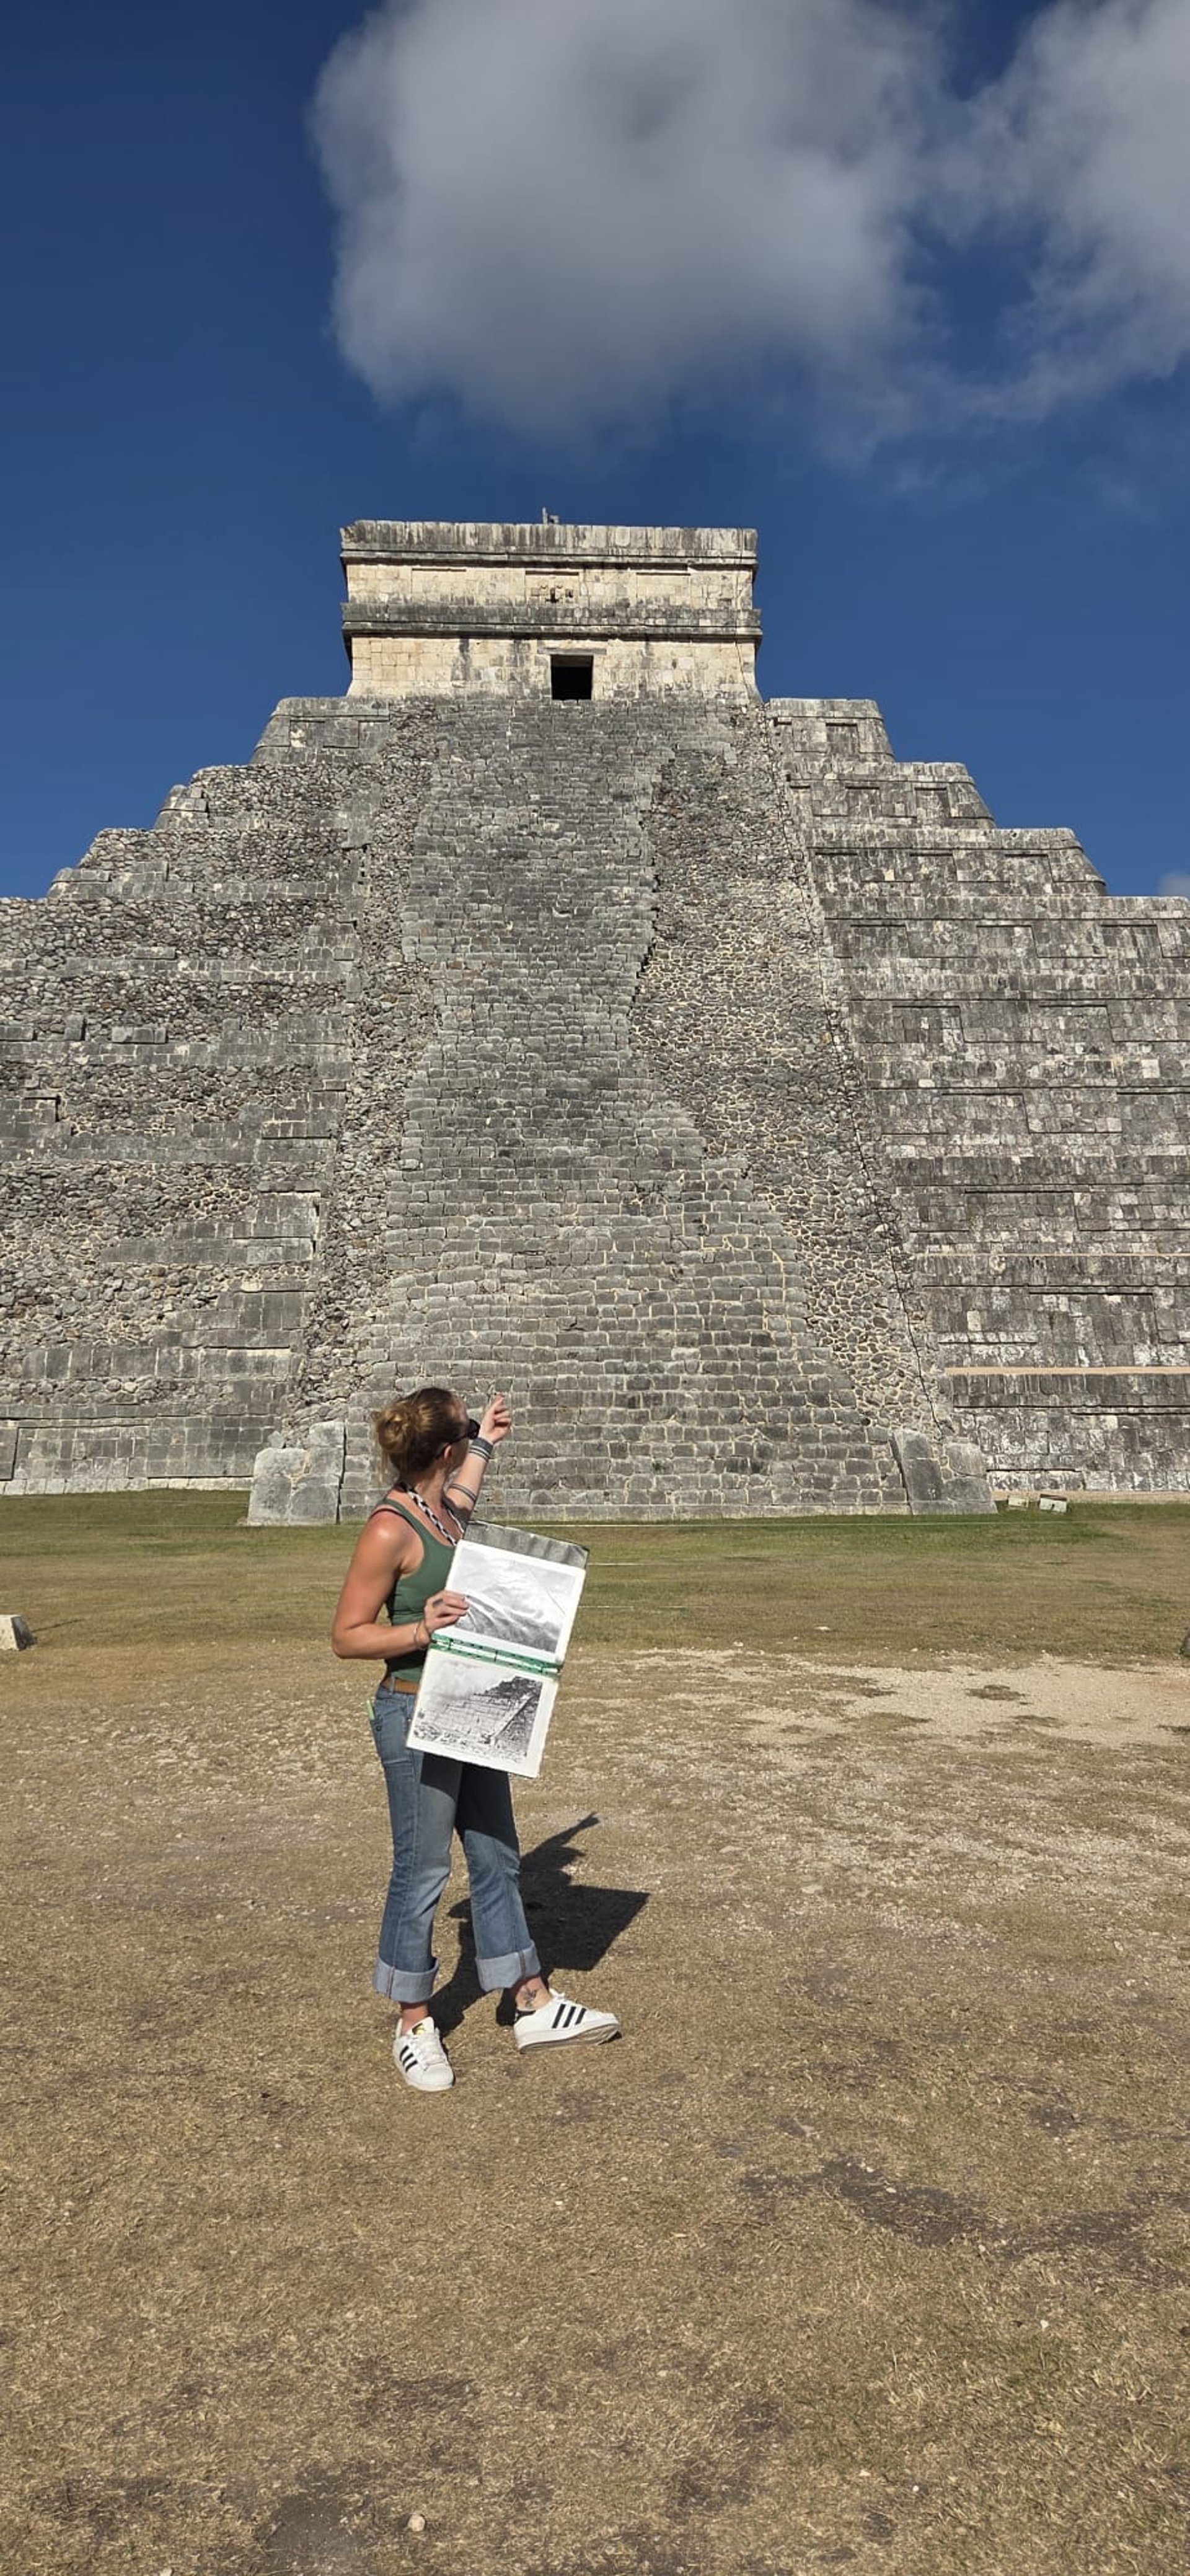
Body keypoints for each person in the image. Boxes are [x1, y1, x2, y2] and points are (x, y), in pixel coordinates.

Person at [330, 1386, 619, 2092]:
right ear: (443, 1448)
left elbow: (459, 1495)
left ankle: (529, 2000)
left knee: (497, 1856)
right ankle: (414, 2022)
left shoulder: (444, 1513)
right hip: (412, 1714)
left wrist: (487, 1439)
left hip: (473, 1707)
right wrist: (422, 1630)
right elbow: (346, 1635)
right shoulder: (389, 1529)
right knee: (423, 1870)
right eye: (466, 1433)